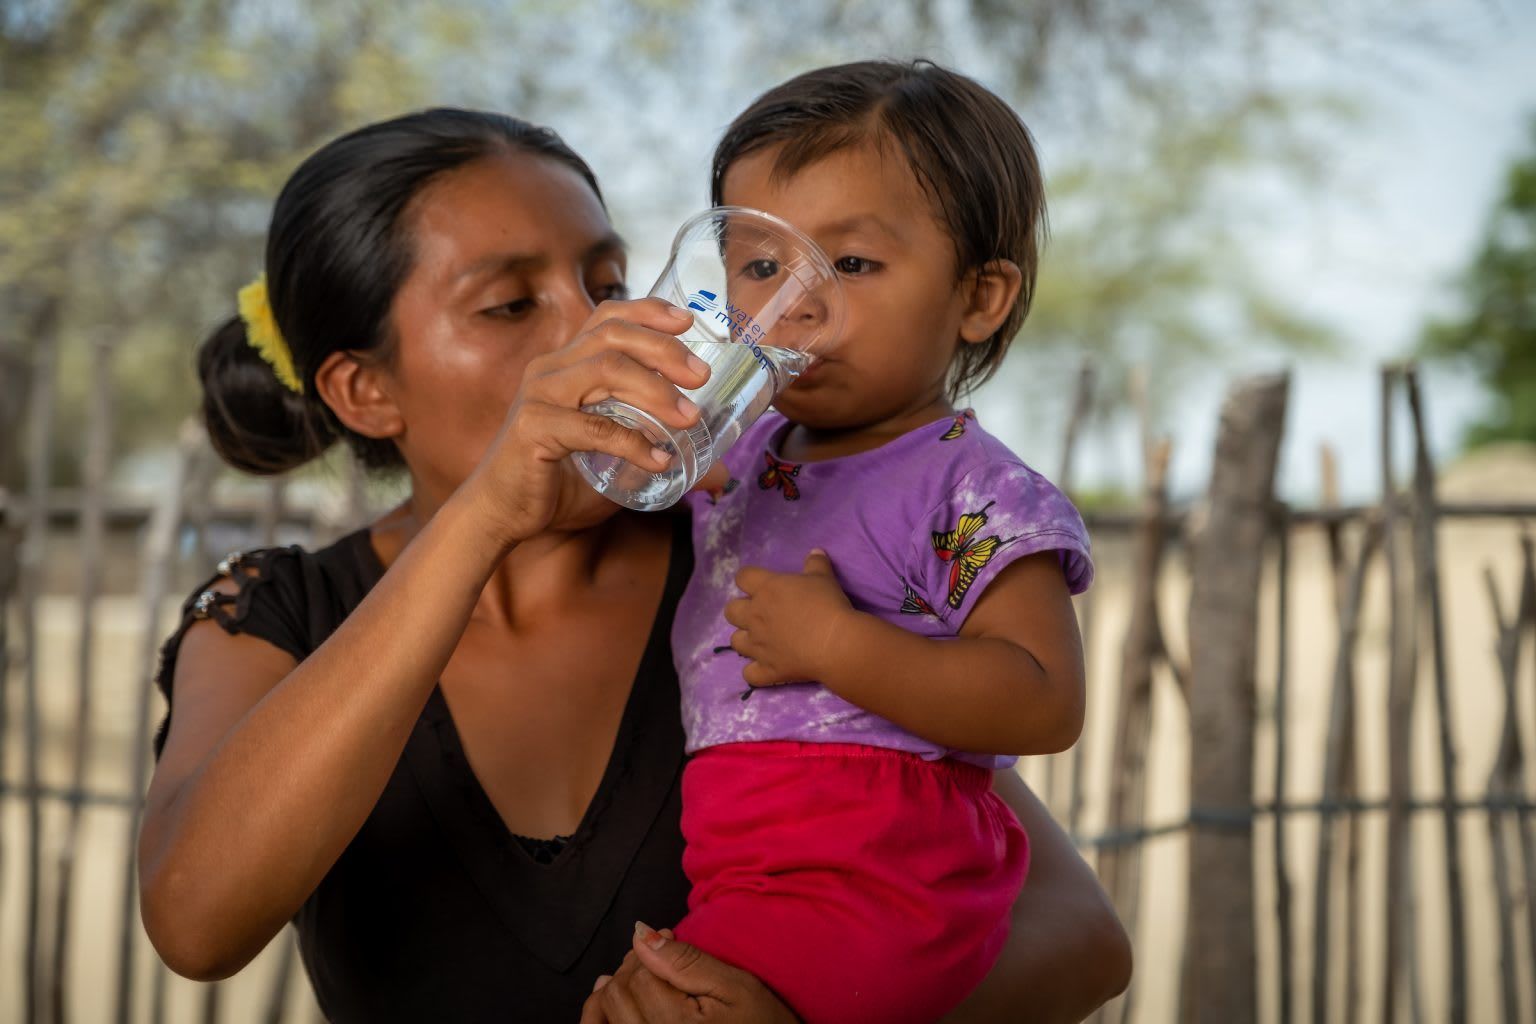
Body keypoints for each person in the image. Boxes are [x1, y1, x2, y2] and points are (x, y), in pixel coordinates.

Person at [137, 107, 1131, 1022]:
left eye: (608, 284)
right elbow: (196, 921)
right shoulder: (277, 613)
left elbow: (1081, 935)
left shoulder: (755, 564)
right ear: (364, 392)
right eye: (509, 305)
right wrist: (486, 516)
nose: (597, 329)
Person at [583, 61, 1092, 1024]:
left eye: (850, 265)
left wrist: (838, 647)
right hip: (743, 862)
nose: (796, 306)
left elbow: (1044, 698)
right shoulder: (735, 446)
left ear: (979, 298)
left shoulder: (969, 488)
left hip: (882, 877)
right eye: (762, 265)